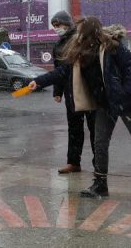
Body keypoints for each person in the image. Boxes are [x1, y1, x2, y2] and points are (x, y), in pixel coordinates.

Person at [29, 17, 131, 203]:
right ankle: (100, 184)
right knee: (100, 142)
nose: (76, 36)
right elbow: (61, 72)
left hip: (125, 102)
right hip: (104, 104)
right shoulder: (80, 53)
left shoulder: (112, 47)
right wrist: (38, 82)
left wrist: (126, 92)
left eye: (80, 32)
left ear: (90, 32)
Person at [50, 11, 96, 174]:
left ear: (67, 23)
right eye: (54, 26)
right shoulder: (58, 45)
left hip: (86, 89)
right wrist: (58, 90)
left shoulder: (79, 39)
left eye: (58, 25)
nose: (56, 28)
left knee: (94, 128)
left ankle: (99, 164)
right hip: (70, 92)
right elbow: (58, 69)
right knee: (74, 128)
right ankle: (73, 162)